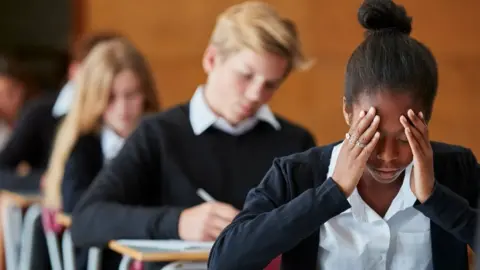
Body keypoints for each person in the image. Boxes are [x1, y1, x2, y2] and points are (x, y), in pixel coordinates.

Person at [208, 1, 480, 269]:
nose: (387, 156)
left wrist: (436, 199)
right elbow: (224, 261)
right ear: (347, 112)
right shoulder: (296, 174)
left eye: (403, 139)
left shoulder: (457, 170)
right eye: (372, 134)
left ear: (426, 121)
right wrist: (331, 192)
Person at [70, 1, 316, 269]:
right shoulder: (159, 134)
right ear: (211, 59)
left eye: (271, 84)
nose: (256, 94)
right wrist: (178, 222)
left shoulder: (295, 143)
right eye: (246, 76)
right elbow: (86, 219)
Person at [42, 38, 159, 270]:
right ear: (94, 98)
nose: (123, 109)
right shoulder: (83, 146)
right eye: (111, 97)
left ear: (146, 93)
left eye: (132, 95)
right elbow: (84, 216)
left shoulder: (160, 137)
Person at [0, 32, 122, 191]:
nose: (102, 82)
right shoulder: (41, 112)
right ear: (74, 71)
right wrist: (43, 181)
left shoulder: (128, 118)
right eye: (96, 72)